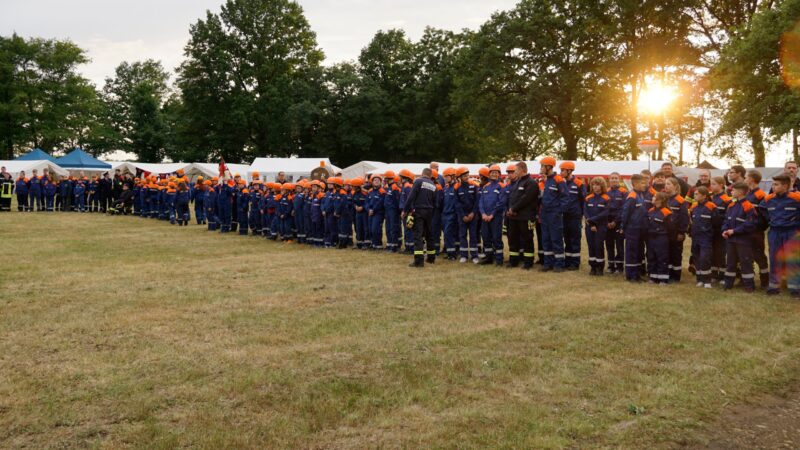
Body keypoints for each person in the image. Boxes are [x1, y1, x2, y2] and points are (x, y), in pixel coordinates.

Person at [760, 175, 800, 297]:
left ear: (785, 186)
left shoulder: (797, 198)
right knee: (774, 258)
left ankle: (795, 289)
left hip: (792, 232)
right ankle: (773, 287)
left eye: (776, 184)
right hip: (774, 232)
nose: (773, 186)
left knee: (792, 260)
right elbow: (762, 210)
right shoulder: (768, 199)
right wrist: (771, 220)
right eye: (773, 184)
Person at [722, 182, 758, 293]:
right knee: (730, 262)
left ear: (741, 192)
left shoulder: (748, 206)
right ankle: (728, 284)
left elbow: (750, 225)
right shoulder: (731, 205)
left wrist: (734, 231)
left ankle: (749, 286)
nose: (731, 192)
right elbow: (726, 220)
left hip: (744, 241)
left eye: (733, 190)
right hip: (731, 240)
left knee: (745, 262)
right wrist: (724, 230)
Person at [504, 162, 539, 269]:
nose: (514, 172)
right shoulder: (518, 182)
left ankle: (528, 262)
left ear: (522, 169)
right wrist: (510, 210)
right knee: (513, 239)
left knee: (527, 239)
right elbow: (512, 197)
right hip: (514, 217)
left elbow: (526, 199)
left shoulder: (531, 183)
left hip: (526, 217)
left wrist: (513, 209)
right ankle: (513, 261)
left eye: (516, 170)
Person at [403, 168, 438, 267]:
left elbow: (411, 197)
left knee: (418, 236)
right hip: (430, 212)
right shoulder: (433, 185)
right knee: (429, 235)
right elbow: (435, 202)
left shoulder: (418, 181)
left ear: (422, 173)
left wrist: (405, 210)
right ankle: (431, 258)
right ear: (430, 176)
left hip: (419, 211)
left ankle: (419, 261)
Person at [539, 156, 567, 272]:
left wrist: (558, 211)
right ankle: (548, 263)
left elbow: (565, 198)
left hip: (554, 215)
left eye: (542, 166)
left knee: (556, 239)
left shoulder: (559, 180)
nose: (540, 168)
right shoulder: (546, 181)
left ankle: (559, 264)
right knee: (546, 239)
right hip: (545, 214)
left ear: (548, 167)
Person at [620, 174, 648, 283]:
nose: (645, 185)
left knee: (638, 252)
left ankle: (636, 274)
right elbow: (625, 213)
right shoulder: (632, 196)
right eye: (642, 183)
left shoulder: (640, 195)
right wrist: (623, 226)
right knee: (631, 252)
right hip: (632, 229)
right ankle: (630, 275)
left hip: (640, 229)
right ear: (635, 184)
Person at [745, 170, 770, 288]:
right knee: (747, 256)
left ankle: (765, 281)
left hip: (756, 231)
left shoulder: (761, 195)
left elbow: (765, 215)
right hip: (746, 231)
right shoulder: (747, 194)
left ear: (751, 179)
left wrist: (758, 227)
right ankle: (748, 281)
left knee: (759, 256)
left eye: (746, 177)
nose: (744, 179)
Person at [478, 165, 506, 266]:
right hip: (485, 217)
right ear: (489, 174)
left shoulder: (502, 186)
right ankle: (488, 257)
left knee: (496, 238)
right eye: (492, 172)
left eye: (496, 172)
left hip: (496, 217)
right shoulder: (485, 186)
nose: (494, 174)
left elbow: (501, 202)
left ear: (499, 174)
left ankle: (499, 259)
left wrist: (492, 214)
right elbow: (480, 202)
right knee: (485, 237)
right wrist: (483, 214)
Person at [560, 162, 585, 270]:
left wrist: (581, 214)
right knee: (567, 239)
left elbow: (583, 200)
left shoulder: (579, 183)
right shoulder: (561, 183)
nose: (561, 172)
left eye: (562, 170)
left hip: (575, 216)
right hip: (564, 216)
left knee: (575, 239)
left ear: (569, 171)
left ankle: (575, 263)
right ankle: (568, 260)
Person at [690, 187, 716, 288]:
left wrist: (708, 232)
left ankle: (707, 281)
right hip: (695, 237)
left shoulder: (711, 206)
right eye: (694, 194)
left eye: (697, 194)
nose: (694, 196)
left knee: (705, 258)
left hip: (706, 237)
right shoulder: (694, 206)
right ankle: (700, 279)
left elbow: (716, 222)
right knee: (697, 258)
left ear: (704, 196)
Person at [665, 178, 689, 282]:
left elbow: (684, 218)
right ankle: (668, 274)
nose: (666, 186)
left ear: (675, 186)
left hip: (676, 233)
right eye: (665, 184)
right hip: (666, 232)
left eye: (668, 184)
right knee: (668, 253)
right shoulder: (665, 199)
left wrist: (681, 232)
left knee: (676, 254)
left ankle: (676, 276)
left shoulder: (681, 201)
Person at [584, 177, 609, 276]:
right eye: (593, 184)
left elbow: (605, 213)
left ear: (602, 186)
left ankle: (600, 267)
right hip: (590, 226)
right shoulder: (588, 198)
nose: (595, 187)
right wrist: (591, 224)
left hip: (601, 227)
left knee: (599, 246)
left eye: (597, 185)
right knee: (591, 246)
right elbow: (586, 212)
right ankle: (593, 267)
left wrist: (594, 221)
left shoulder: (606, 198)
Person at [647, 192, 674, 284]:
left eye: (654, 197)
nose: (652, 198)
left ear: (660, 200)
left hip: (661, 238)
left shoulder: (667, 212)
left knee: (662, 258)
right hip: (651, 237)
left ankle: (663, 278)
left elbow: (670, 228)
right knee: (651, 257)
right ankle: (653, 277)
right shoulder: (650, 211)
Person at [455, 167, 480, 263]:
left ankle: (474, 256)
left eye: (467, 175)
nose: (467, 177)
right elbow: (457, 203)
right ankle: (464, 255)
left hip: (473, 216)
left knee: (473, 235)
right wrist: (463, 215)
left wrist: (473, 213)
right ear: (460, 177)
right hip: (462, 217)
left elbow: (477, 201)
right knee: (462, 235)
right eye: (465, 176)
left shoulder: (474, 185)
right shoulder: (457, 187)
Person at [709, 177, 731, 284]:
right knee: (712, 253)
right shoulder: (711, 198)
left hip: (721, 230)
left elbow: (727, 216)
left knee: (721, 253)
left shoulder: (726, 199)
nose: (711, 186)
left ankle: (722, 275)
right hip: (711, 230)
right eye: (711, 184)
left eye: (714, 184)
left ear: (721, 185)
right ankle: (713, 275)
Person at [605, 172, 627, 274]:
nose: (614, 180)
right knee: (609, 244)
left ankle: (619, 266)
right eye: (612, 178)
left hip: (618, 222)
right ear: (609, 180)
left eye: (616, 178)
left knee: (619, 245)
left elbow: (624, 208)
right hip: (607, 222)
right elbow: (604, 207)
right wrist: (608, 221)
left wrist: (615, 221)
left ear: (619, 179)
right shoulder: (606, 192)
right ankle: (611, 265)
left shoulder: (624, 192)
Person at [352, 177, 369, 249]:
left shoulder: (365, 193)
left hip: (364, 213)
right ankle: (359, 243)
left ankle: (366, 243)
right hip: (357, 213)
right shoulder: (354, 193)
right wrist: (355, 206)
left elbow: (367, 202)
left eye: (354, 186)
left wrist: (362, 207)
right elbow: (353, 202)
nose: (353, 188)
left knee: (365, 228)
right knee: (358, 227)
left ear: (357, 186)